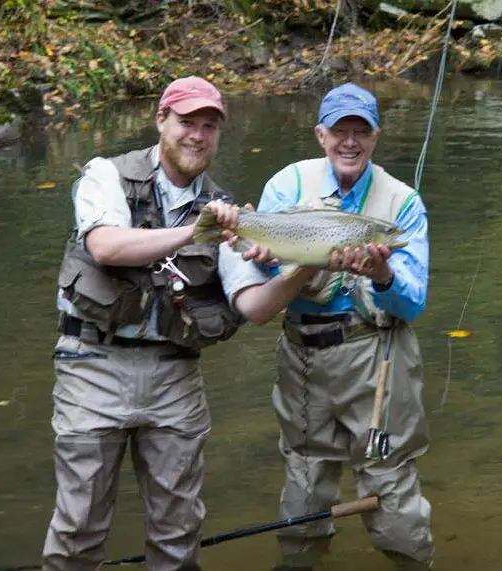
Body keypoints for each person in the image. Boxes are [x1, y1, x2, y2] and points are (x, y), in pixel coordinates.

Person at [41, 76, 306, 571]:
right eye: (187, 122)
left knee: (178, 530)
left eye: (209, 126)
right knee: (79, 525)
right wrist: (195, 231)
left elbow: (255, 308)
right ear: (160, 120)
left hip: (175, 376)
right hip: (91, 364)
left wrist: (310, 267)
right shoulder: (106, 175)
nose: (197, 135)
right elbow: (106, 246)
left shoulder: (226, 207)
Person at [232, 83, 433, 571]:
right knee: (304, 479)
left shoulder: (403, 203)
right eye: (339, 131)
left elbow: (413, 303)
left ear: (376, 137)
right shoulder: (286, 186)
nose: (350, 142)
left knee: (390, 480)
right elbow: (257, 278)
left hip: (378, 360)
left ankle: (412, 562)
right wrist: (263, 258)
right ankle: (299, 561)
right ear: (320, 135)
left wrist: (383, 273)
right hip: (301, 357)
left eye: (360, 132)